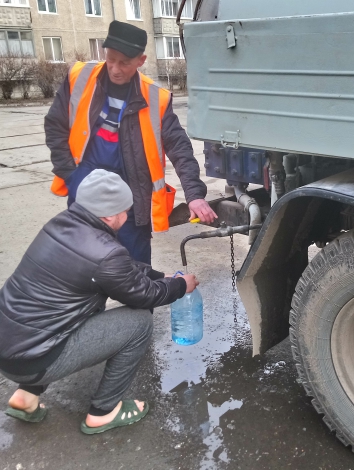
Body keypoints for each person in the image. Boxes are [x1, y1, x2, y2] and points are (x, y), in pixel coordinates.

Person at [0, 170, 199, 434]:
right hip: (35, 360)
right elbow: (145, 296)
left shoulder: (61, 224)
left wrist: (159, 276)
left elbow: (120, 269)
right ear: (108, 215)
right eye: (124, 211)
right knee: (139, 323)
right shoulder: (106, 253)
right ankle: (103, 412)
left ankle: (25, 397)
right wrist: (180, 286)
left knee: (59, 313)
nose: (126, 216)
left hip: (11, 349)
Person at [45, 20, 217, 264]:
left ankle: (139, 304)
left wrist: (195, 195)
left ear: (141, 61)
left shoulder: (156, 98)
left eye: (124, 62)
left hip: (131, 200)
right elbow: (55, 126)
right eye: (110, 58)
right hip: (85, 190)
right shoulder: (79, 77)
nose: (115, 68)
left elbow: (180, 149)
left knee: (136, 272)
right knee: (85, 271)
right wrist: (71, 176)